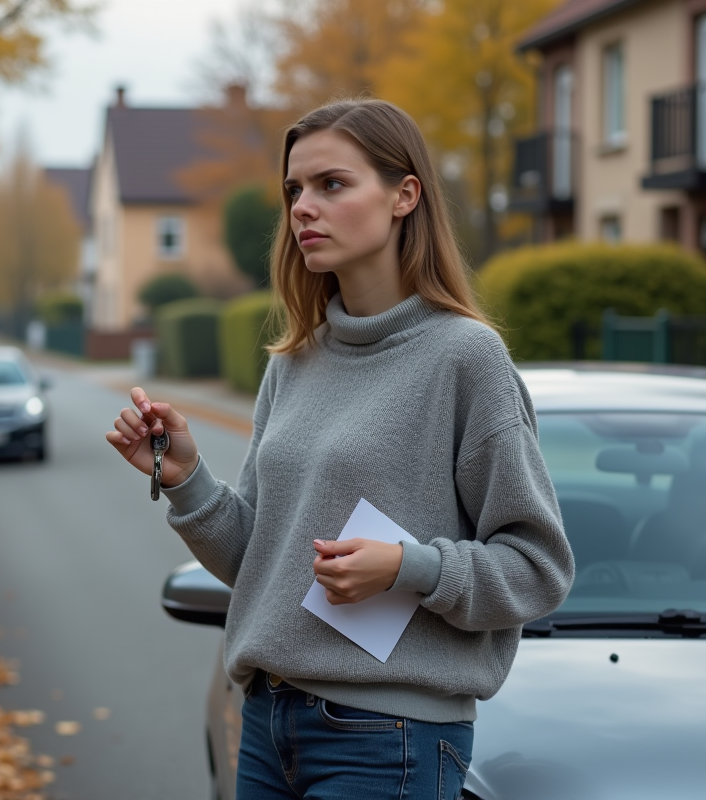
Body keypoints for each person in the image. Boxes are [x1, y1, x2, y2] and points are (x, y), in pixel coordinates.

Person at [105, 99, 574, 800]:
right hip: (267, 722)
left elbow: (538, 570)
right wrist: (187, 480)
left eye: (332, 184)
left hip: (390, 739)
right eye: (294, 189)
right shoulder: (294, 360)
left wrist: (408, 568)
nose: (302, 208)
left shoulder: (466, 358)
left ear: (403, 196)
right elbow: (259, 565)